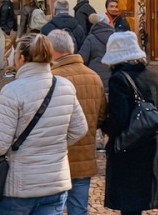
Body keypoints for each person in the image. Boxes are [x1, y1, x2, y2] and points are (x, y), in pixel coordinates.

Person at [0, 34, 87, 215]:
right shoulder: (65, 86)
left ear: (21, 58)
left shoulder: (13, 91)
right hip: (55, 183)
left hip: (19, 187)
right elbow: (80, 129)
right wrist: (53, 145)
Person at [101, 30, 158, 215]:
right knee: (138, 201)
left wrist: (104, 126)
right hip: (148, 140)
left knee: (129, 201)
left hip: (127, 145)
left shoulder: (119, 79)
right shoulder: (152, 76)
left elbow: (120, 118)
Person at [49, 29, 106, 215]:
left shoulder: (51, 77)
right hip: (83, 155)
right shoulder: (94, 77)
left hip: (55, 157)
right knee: (79, 209)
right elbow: (101, 117)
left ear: (51, 50)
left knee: (51, 208)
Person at [78, 13, 113, 89]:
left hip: (95, 77)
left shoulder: (91, 38)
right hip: (114, 76)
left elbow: (82, 58)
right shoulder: (116, 37)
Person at [0, 0, 19, 75]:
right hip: (9, 31)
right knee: (7, 51)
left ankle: (13, 68)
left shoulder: (9, 4)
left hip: (11, 29)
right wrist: (7, 30)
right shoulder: (6, 5)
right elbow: (3, 20)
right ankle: (6, 70)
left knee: (14, 49)